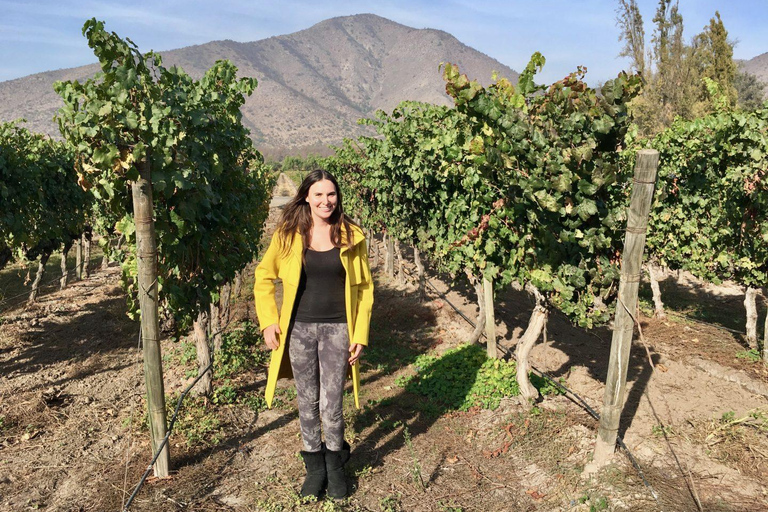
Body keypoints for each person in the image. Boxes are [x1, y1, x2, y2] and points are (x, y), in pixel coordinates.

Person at [253, 169, 374, 500]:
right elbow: (264, 276)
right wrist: (268, 321)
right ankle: (314, 467)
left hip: (338, 329)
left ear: (338, 197)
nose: (326, 201)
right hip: (300, 330)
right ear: (306, 196)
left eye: (331, 194)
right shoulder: (289, 234)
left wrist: (359, 332)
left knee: (332, 402)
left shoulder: (352, 236)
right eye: (318, 194)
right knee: (306, 401)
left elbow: (364, 288)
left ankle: (335, 467)